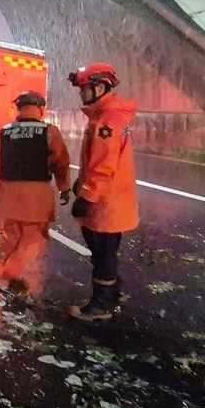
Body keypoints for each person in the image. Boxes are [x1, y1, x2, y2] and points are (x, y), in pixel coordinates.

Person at [66, 63, 139, 321]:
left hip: (105, 201)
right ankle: (113, 292)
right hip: (109, 197)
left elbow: (104, 165)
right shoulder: (105, 115)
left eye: (84, 89)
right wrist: (82, 183)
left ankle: (101, 305)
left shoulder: (108, 118)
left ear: (99, 88)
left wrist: (86, 195)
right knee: (106, 250)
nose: (81, 94)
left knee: (103, 252)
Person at [0, 91, 71, 301]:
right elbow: (61, 163)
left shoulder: (3, 132)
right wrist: (64, 188)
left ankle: (4, 277)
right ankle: (7, 275)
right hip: (37, 197)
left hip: (8, 195)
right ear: (40, 109)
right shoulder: (49, 132)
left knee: (13, 239)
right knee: (34, 238)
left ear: (19, 108)